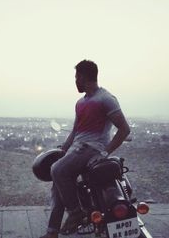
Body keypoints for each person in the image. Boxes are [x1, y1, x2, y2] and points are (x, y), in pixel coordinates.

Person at [40, 60, 130, 238]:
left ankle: (76, 212)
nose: (75, 81)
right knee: (57, 186)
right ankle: (52, 233)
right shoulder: (80, 103)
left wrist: (105, 153)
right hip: (77, 149)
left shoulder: (106, 99)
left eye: (76, 77)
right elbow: (76, 131)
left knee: (56, 170)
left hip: (92, 148)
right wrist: (63, 149)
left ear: (82, 77)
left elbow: (124, 129)